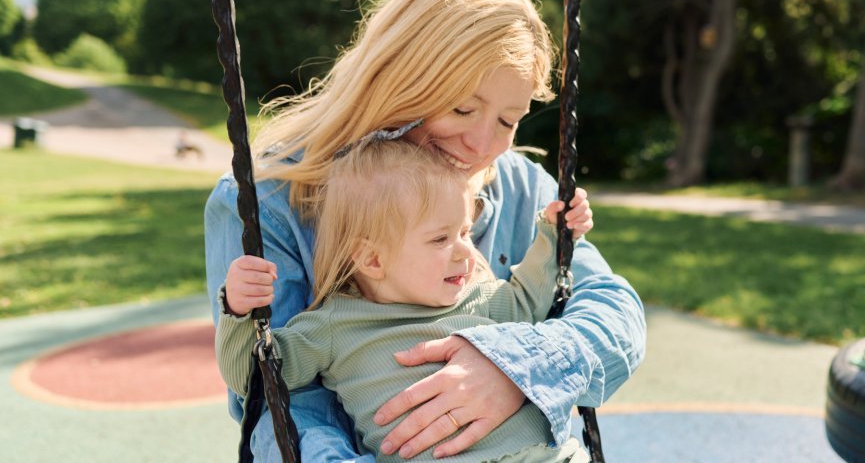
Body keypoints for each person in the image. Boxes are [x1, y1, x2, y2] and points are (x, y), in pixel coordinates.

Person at [204, 0, 646, 461]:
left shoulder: (521, 187)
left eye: (508, 120)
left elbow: (615, 312)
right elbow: (280, 404)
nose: (482, 144)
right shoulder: (268, 203)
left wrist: (517, 368)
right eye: (462, 108)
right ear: (402, 79)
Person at [217, 138, 594, 462]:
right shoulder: (334, 326)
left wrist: (553, 237)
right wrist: (239, 310)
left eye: (465, 231)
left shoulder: (479, 297)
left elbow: (530, 299)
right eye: (440, 239)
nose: (466, 251)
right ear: (373, 259)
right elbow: (256, 376)